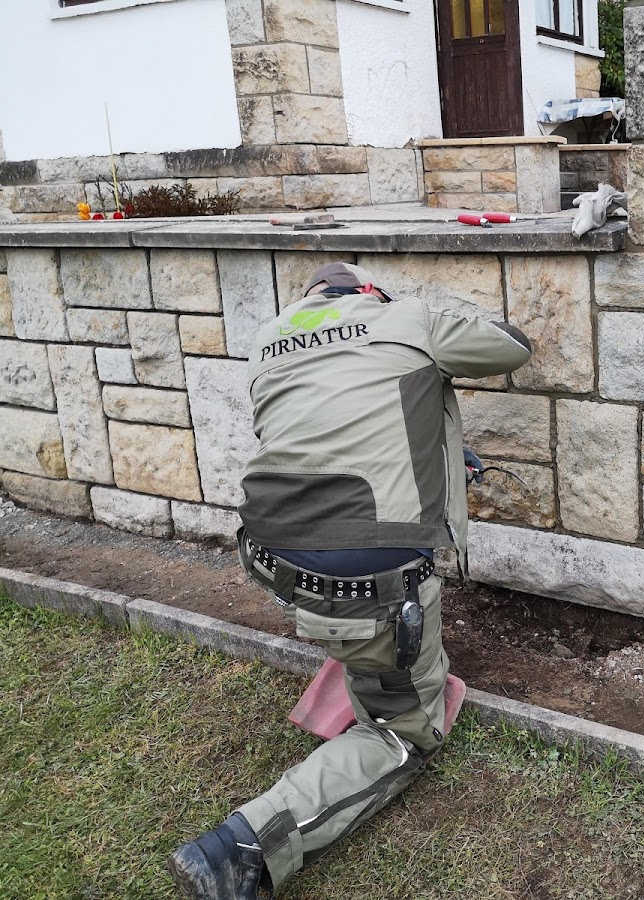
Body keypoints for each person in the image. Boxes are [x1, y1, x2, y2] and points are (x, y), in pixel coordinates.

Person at [168, 263, 532, 899]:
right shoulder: (406, 319)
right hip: (365, 575)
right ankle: (243, 848)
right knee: (403, 733)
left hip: (270, 556)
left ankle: (360, 651)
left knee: (358, 627)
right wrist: (410, 309)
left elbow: (333, 432)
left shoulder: (271, 340)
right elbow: (511, 345)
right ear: (368, 292)